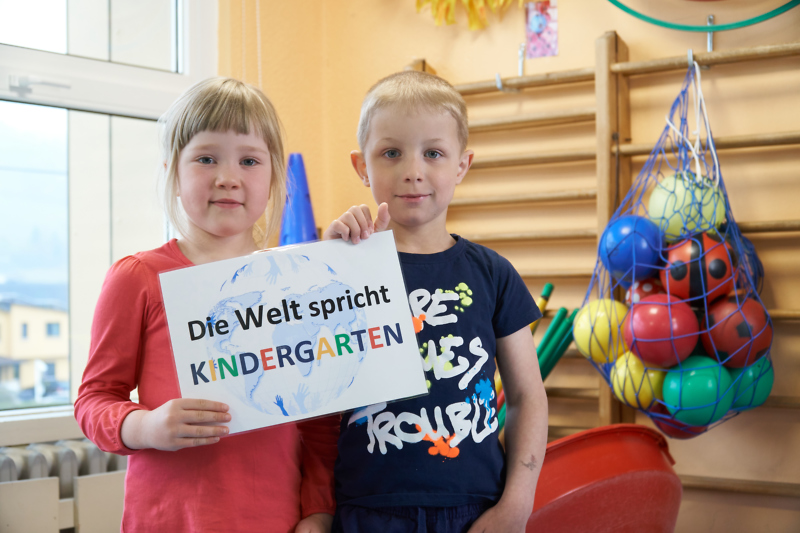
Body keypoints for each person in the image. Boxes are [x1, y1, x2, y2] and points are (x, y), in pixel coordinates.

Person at [74, 77, 338, 533]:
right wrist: (145, 426)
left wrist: (319, 512)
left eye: (249, 161)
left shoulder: (297, 284)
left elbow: (318, 423)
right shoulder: (137, 277)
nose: (228, 177)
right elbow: (94, 400)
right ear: (173, 173)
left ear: (274, 176)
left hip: (274, 521)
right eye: (206, 158)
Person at [323, 71, 549, 532]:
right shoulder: (342, 265)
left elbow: (528, 396)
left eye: (433, 153)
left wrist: (516, 506)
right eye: (391, 153)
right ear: (361, 166)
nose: (413, 170)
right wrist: (327, 264)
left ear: (462, 165)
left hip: (476, 509)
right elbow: (312, 387)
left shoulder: (493, 273)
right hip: (368, 510)